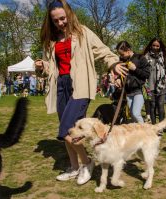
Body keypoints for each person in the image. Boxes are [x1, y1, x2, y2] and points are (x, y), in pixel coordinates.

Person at [34, 0, 123, 184]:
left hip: (81, 85)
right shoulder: (51, 40)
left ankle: (87, 162)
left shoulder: (82, 32)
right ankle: (75, 168)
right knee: (71, 131)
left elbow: (103, 50)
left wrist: (113, 63)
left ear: (69, 14)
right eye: (55, 21)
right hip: (61, 85)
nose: (60, 23)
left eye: (62, 18)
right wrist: (42, 66)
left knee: (66, 129)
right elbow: (51, 67)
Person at [115, 41, 150, 123]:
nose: (121, 56)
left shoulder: (140, 58)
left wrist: (135, 69)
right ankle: (137, 133)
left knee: (136, 113)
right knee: (132, 115)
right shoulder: (122, 60)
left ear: (128, 50)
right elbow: (121, 73)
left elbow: (147, 74)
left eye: (122, 54)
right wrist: (119, 78)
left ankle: (145, 132)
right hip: (128, 92)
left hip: (139, 90)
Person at [143, 38, 166, 124]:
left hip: (162, 84)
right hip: (149, 84)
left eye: (157, 46)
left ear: (160, 46)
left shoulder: (163, 56)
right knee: (152, 105)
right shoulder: (146, 56)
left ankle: (161, 125)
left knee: (160, 104)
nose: (155, 47)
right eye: (154, 45)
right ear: (150, 45)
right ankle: (153, 125)